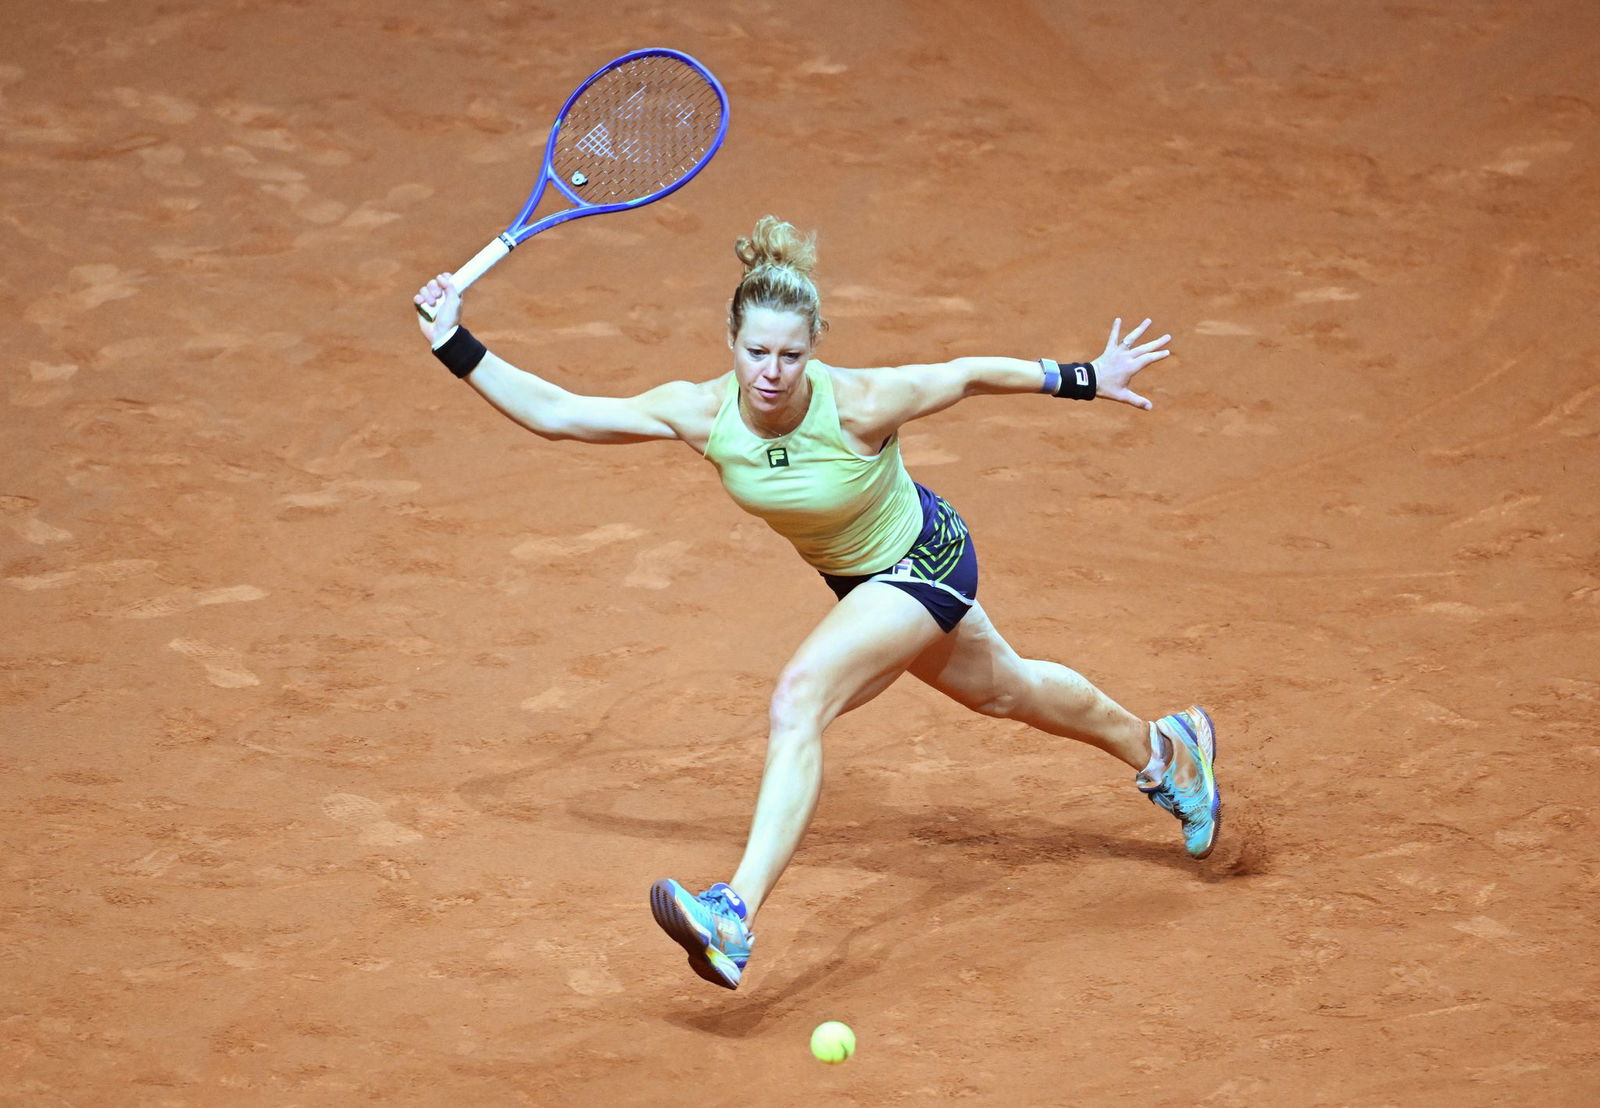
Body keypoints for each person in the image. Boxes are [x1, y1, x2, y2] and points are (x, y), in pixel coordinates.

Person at [413, 216, 1220, 992]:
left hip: (926, 559)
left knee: (799, 699)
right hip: (860, 584)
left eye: (790, 354)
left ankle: (733, 914)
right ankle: (1165, 750)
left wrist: (1084, 376)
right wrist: (454, 340)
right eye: (755, 351)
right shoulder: (699, 412)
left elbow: (969, 373)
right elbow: (561, 414)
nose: (771, 371)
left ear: (813, 350)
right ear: (730, 344)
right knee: (1008, 690)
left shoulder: (864, 401)